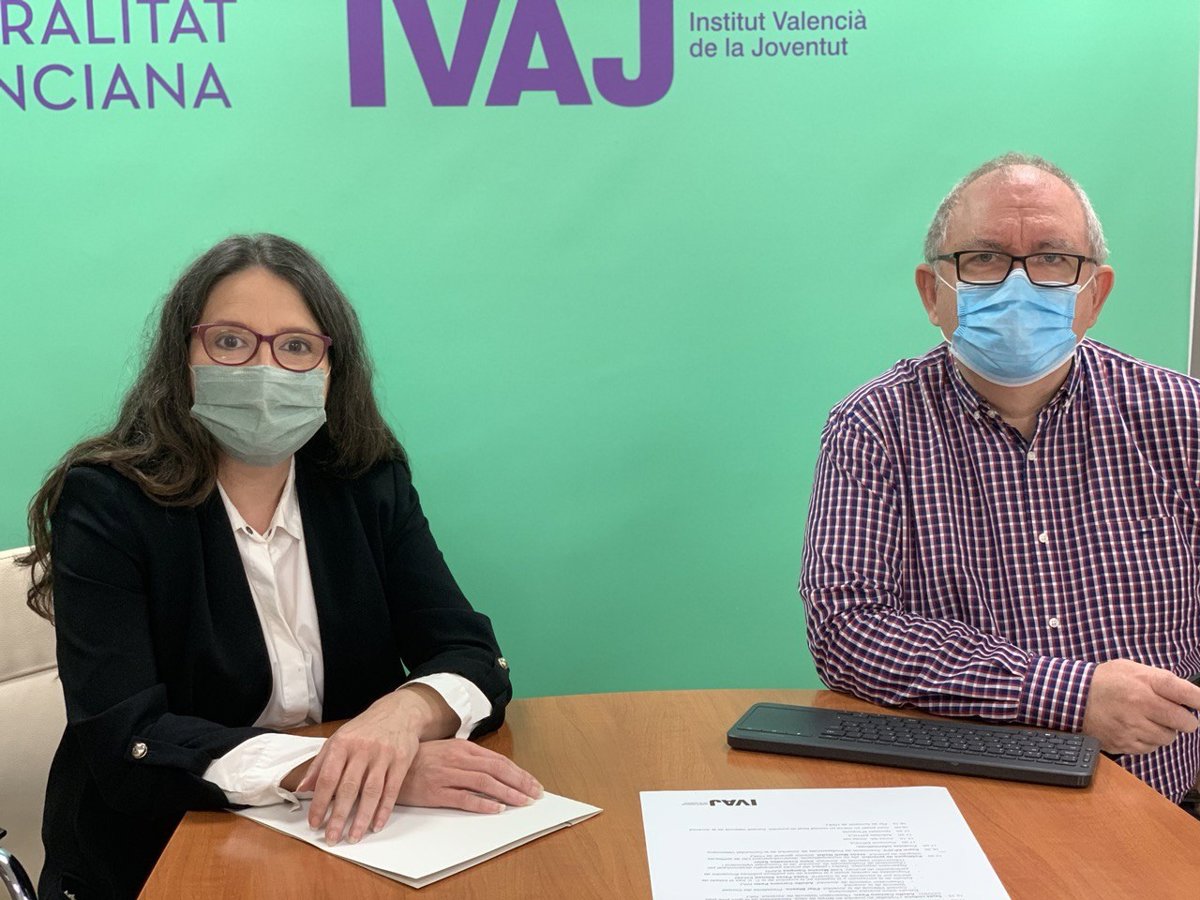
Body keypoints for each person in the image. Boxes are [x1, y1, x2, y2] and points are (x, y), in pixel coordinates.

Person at [21, 234, 542, 899]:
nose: (264, 369)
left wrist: (402, 717)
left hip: (350, 847)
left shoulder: (366, 481)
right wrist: (343, 767)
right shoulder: (108, 503)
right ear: (182, 356)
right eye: (230, 341)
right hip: (162, 851)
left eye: (296, 346)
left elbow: (471, 655)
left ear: (330, 368)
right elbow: (128, 742)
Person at [799, 153, 1200, 805]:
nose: (1019, 286)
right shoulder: (873, 426)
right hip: (963, 807)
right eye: (984, 258)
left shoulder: (1185, 420)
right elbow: (847, 630)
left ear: (1095, 294)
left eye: (1053, 258)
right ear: (933, 293)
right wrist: (1068, 695)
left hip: (1162, 807)